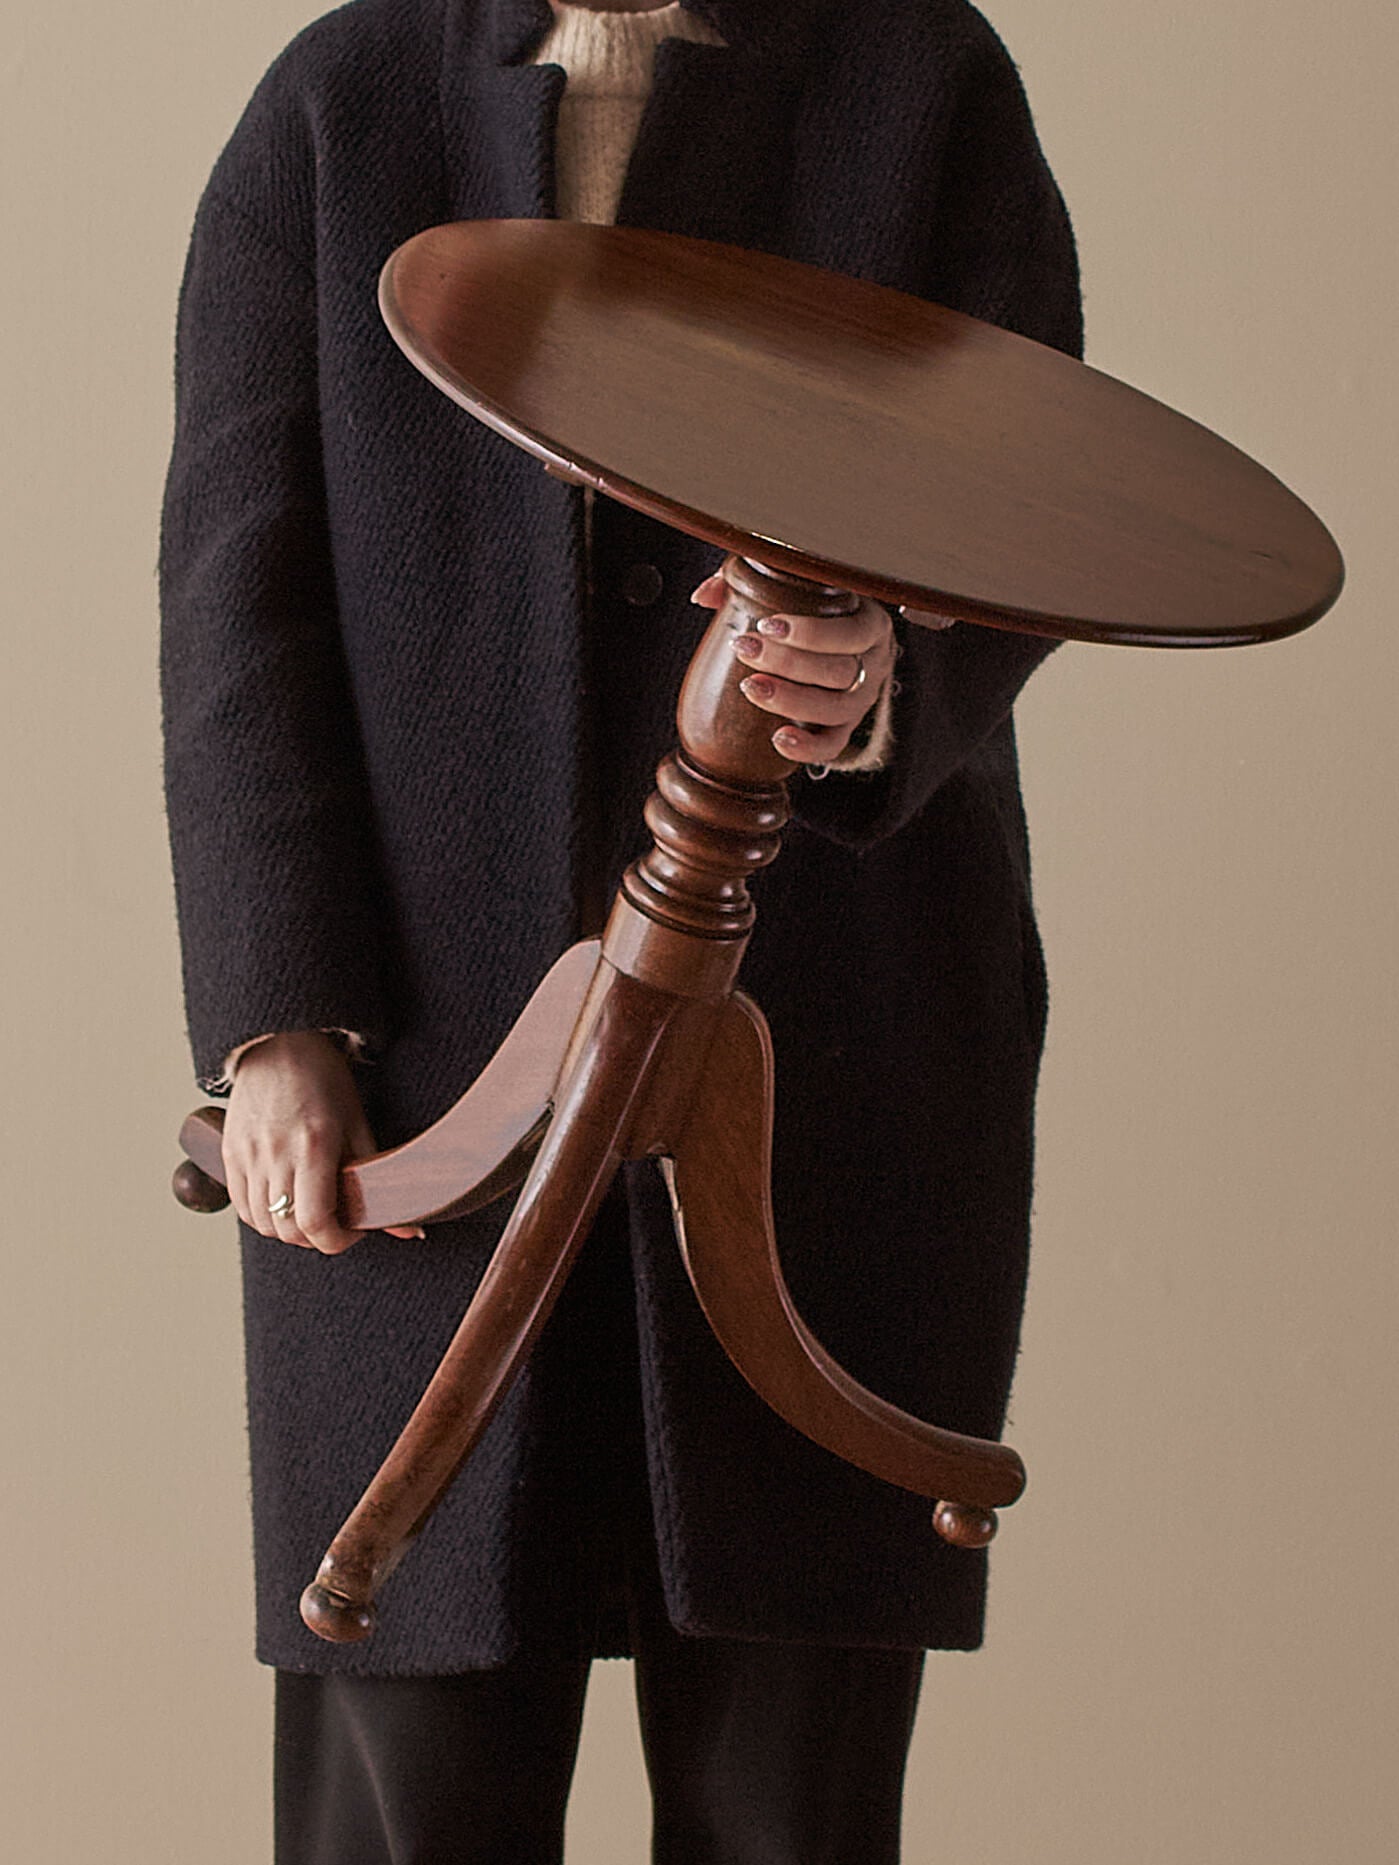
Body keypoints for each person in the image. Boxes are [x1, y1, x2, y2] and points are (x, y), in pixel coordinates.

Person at [161, 1, 1082, 1858]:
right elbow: (236, 603)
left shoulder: (925, 80)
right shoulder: (336, 105)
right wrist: (277, 1023)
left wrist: (894, 676)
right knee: (407, 1786)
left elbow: (1046, 485)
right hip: (422, 1080)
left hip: (839, 1054)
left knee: (788, 1791)